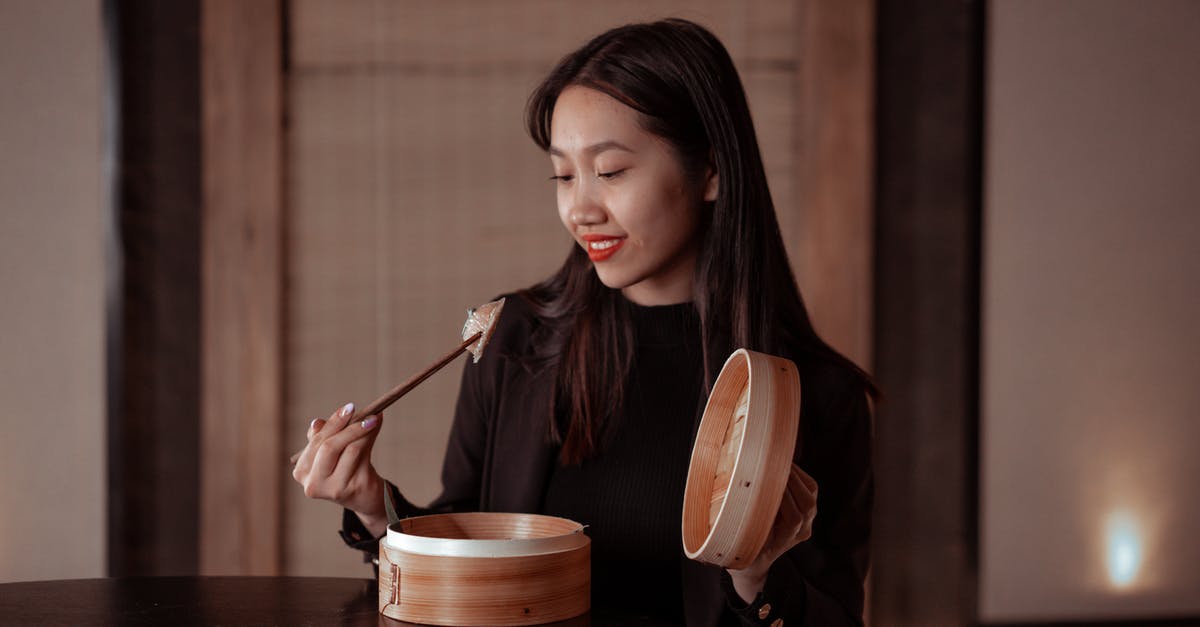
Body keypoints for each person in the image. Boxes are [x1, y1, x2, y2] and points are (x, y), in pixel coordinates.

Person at [291, 18, 875, 626]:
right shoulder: (512, 339)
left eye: (612, 170)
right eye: (564, 175)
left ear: (710, 171)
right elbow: (468, 546)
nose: (580, 209)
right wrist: (373, 507)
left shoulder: (818, 394)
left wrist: (757, 574)